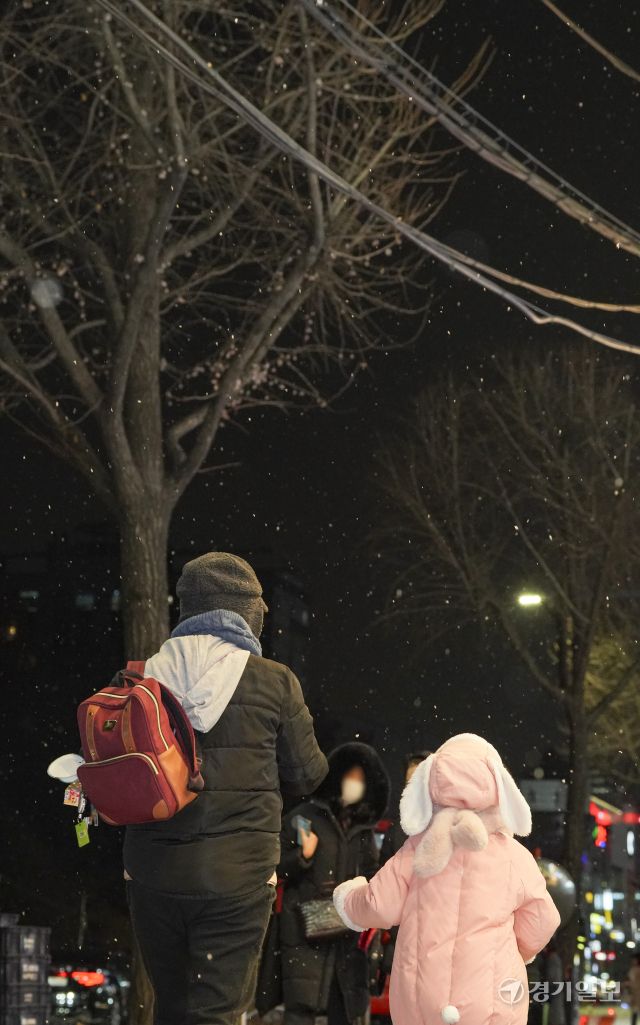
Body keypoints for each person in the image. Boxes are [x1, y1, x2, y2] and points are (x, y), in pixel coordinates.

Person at [123, 552, 328, 1025]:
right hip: (237, 879)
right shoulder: (274, 682)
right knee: (216, 1013)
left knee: (170, 1010)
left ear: (188, 611)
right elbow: (308, 774)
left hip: (152, 876)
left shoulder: (143, 677)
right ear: (246, 615)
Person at [333, 733, 560, 1025]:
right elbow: (544, 919)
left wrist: (348, 899)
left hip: (422, 1001)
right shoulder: (513, 856)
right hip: (491, 1001)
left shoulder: (416, 848)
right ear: (498, 785)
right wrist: (516, 950)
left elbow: (379, 905)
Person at [278, 742, 390, 1025]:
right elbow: (273, 865)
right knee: (301, 1010)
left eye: (361, 780)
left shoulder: (364, 831)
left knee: (345, 1009)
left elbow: (373, 876)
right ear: (337, 776)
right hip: (305, 935)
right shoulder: (305, 817)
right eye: (350, 776)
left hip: (347, 939)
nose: (355, 784)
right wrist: (302, 856)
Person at [380, 751, 431, 864]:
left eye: (418, 781)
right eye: (409, 783)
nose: (412, 788)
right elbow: (382, 874)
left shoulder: (449, 825)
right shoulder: (395, 830)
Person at [627, 952, 640, 1025]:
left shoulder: (634, 970)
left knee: (635, 1013)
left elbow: (632, 982)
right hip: (636, 994)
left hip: (636, 994)